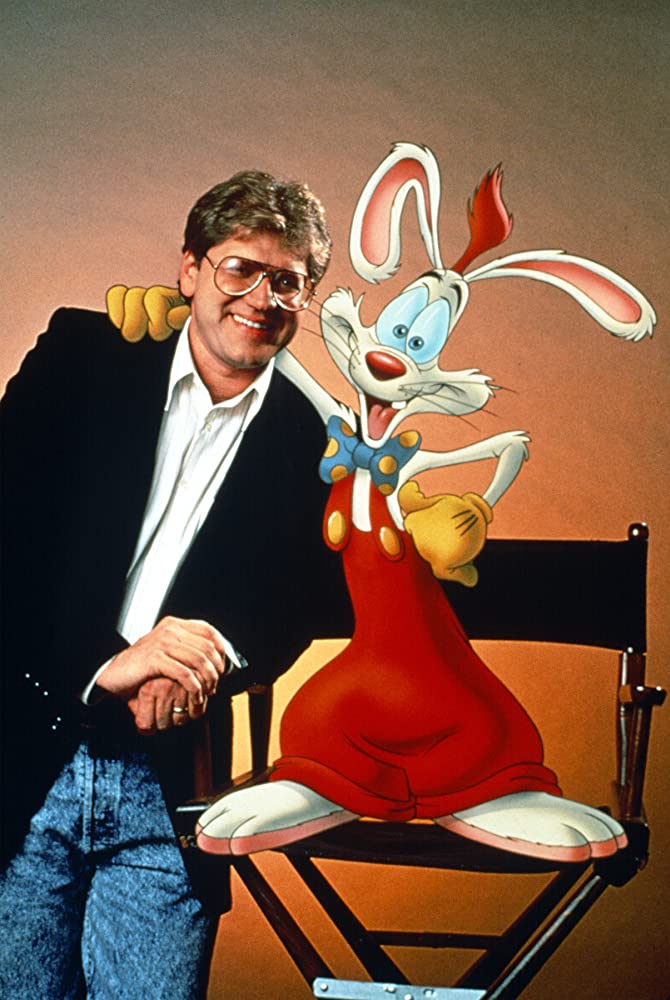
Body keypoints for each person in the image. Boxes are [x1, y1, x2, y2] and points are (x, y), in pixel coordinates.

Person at [0, 170, 352, 998]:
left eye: (287, 281)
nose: (262, 298)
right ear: (190, 269)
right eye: (240, 268)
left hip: (173, 786)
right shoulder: (85, 355)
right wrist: (106, 661)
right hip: (24, 759)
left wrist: (209, 652)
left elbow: (299, 600)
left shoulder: (318, 440)